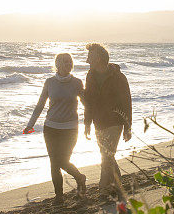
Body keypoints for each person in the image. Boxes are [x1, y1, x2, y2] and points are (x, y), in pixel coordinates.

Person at [24, 53, 87, 204]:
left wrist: (92, 122)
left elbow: (86, 104)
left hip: (70, 128)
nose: (68, 64)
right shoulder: (49, 82)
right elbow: (40, 105)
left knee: (63, 161)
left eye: (70, 61)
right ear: (57, 64)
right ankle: (59, 196)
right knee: (54, 163)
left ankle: (79, 177)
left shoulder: (77, 83)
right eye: (65, 62)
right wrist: (30, 124)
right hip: (51, 128)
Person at [83, 43, 132, 197]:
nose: (87, 59)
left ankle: (104, 188)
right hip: (98, 121)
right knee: (107, 154)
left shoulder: (118, 76)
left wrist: (127, 126)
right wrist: (87, 123)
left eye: (90, 56)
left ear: (98, 58)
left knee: (107, 154)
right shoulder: (90, 75)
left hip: (115, 121)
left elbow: (126, 101)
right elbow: (89, 101)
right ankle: (117, 186)